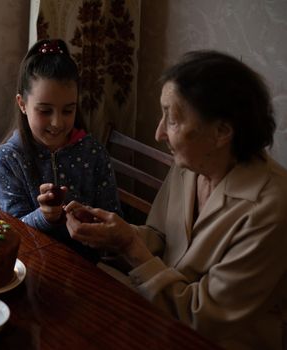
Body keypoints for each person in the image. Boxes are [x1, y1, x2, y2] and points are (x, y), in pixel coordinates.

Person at [64, 50, 287, 349]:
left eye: (172, 119)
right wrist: (116, 234)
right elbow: (160, 236)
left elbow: (204, 318)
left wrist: (131, 248)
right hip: (161, 313)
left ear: (222, 131)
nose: (158, 133)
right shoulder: (192, 165)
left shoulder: (271, 206)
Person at [0, 39, 122, 262]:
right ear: (22, 104)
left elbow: (115, 220)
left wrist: (93, 222)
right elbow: (14, 230)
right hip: (32, 265)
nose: (57, 122)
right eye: (45, 110)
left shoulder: (93, 152)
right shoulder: (7, 159)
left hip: (90, 267)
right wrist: (45, 217)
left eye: (68, 110)